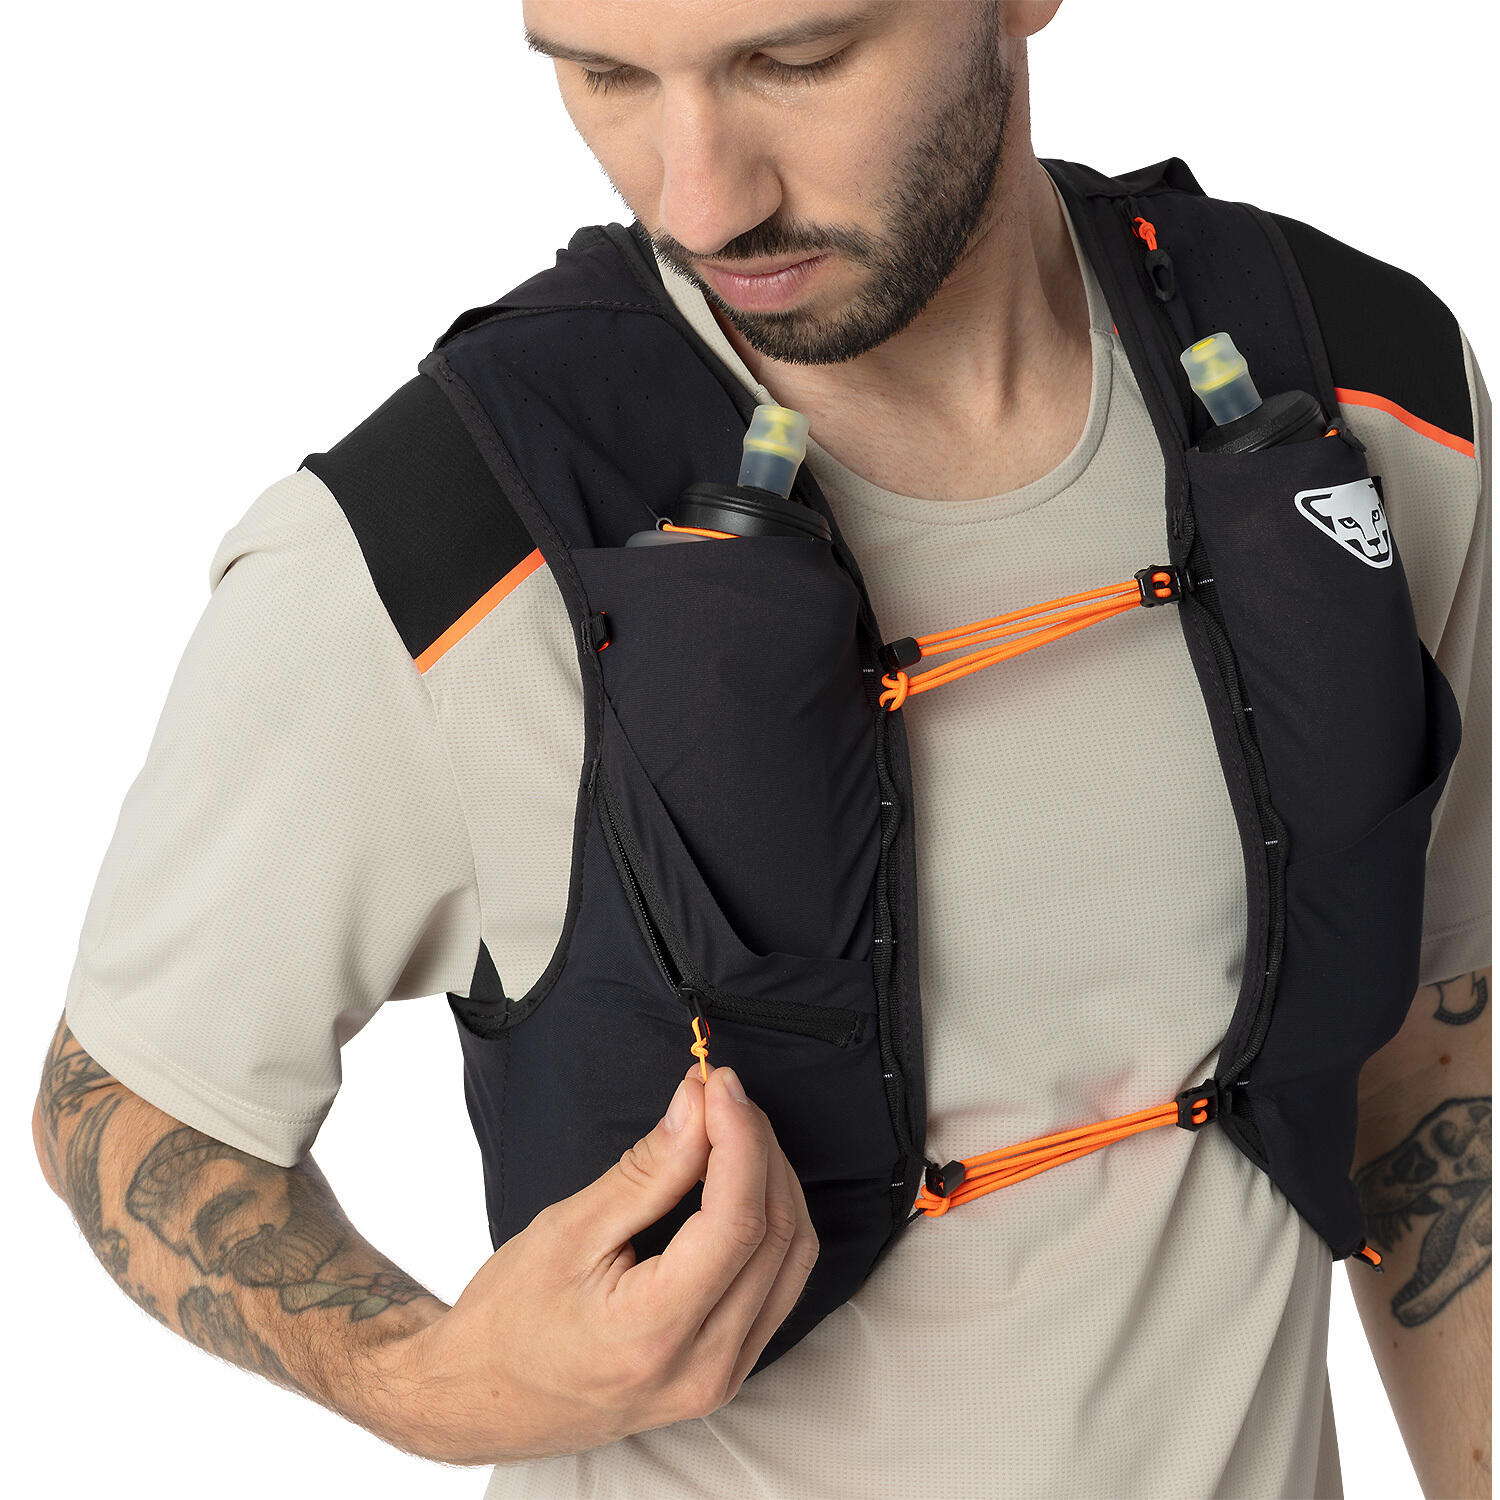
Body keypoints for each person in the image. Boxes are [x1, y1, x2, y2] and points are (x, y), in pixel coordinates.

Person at [34, 1, 1491, 1496]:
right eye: (605, 75)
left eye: (795, 62)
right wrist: (433, 1389)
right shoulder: (435, 545)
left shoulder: (1369, 392)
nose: (700, 201)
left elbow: (1434, 1041)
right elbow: (125, 1103)